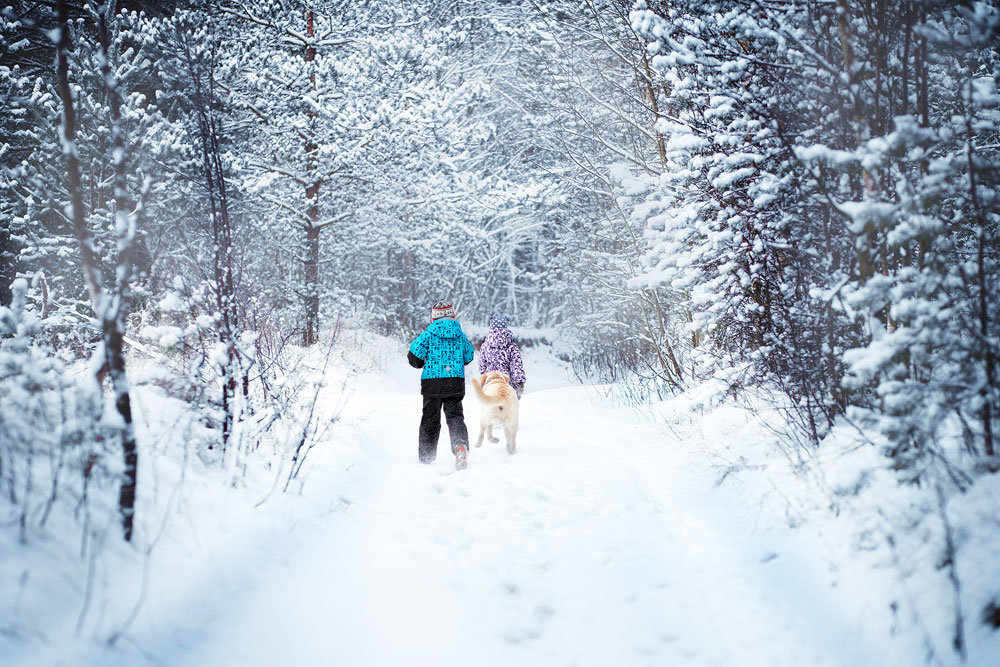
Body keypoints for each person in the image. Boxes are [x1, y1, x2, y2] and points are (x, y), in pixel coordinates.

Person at [407, 300, 476, 469]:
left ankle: (426, 457)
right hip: (455, 382)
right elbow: (468, 356)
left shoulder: (428, 334)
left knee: (430, 418)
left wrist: (423, 362)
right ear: (452, 315)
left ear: (434, 317)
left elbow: (414, 357)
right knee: (455, 417)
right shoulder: (460, 335)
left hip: (432, 383)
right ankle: (460, 446)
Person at [478, 315, 526, 399]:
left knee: (492, 406)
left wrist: (484, 377)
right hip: (506, 382)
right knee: (507, 407)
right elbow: (516, 365)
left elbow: (482, 365)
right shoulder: (511, 346)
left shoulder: (485, 346)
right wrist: (519, 382)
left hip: (490, 382)